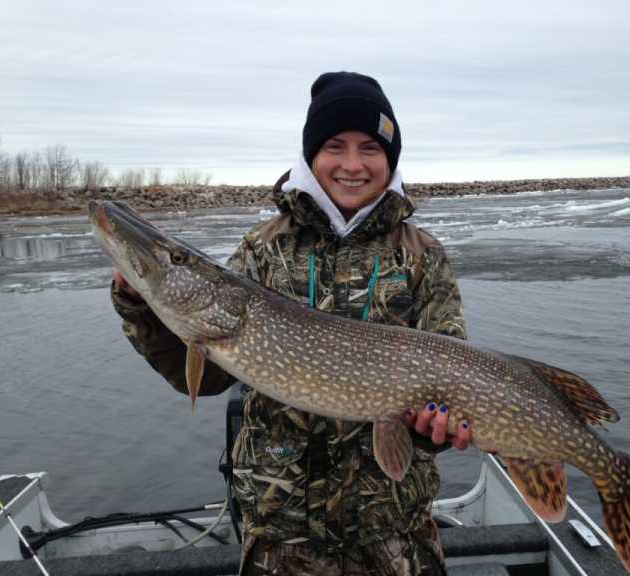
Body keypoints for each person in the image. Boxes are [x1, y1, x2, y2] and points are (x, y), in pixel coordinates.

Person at [111, 71, 470, 575]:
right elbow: (209, 377)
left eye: (369, 147)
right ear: (310, 156)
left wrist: (434, 430)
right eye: (334, 146)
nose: (351, 164)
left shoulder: (422, 257)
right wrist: (143, 307)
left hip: (394, 533)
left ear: (389, 157)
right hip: (283, 536)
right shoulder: (262, 249)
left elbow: (449, 379)